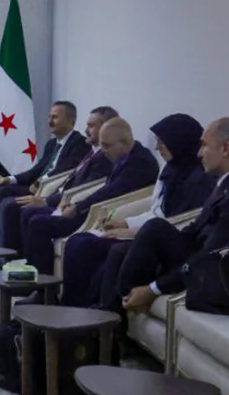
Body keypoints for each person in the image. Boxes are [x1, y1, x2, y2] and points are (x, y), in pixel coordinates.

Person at [120, 117, 229, 314]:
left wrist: (153, 289)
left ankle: (119, 311)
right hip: (201, 254)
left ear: (225, 149)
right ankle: (117, 310)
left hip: (222, 273)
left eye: (204, 145)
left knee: (148, 235)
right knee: (140, 237)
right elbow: (194, 230)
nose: (199, 153)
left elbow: (210, 255)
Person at [60, 113, 214, 307]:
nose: (157, 147)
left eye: (162, 142)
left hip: (161, 240)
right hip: (149, 230)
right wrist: (125, 223)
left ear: (178, 142)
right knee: (78, 241)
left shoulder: (200, 178)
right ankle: (71, 306)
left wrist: (133, 232)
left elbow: (177, 221)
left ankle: (93, 310)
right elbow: (156, 211)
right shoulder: (169, 169)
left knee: (91, 246)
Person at [16, 117, 159, 292]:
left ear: (124, 143)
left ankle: (43, 290)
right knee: (32, 215)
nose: (103, 151)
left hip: (104, 214)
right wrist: (76, 204)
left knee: (39, 223)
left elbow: (111, 191)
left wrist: (78, 207)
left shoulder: (140, 163)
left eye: (107, 146)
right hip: (94, 208)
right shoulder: (124, 155)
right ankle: (33, 279)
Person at [0, 105, 115, 254]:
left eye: (91, 126)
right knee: (6, 197)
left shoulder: (98, 154)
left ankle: (13, 258)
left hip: (73, 207)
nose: (86, 131)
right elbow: (40, 170)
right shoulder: (91, 152)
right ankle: (4, 252)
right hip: (59, 196)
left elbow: (84, 189)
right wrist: (11, 179)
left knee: (24, 211)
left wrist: (46, 200)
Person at [0, 101, 92, 225]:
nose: (49, 121)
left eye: (55, 117)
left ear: (71, 121)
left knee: (4, 192)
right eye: (49, 117)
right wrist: (9, 179)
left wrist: (39, 182)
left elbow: (65, 170)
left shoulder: (80, 143)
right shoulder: (52, 144)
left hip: (50, 191)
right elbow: (36, 170)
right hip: (36, 186)